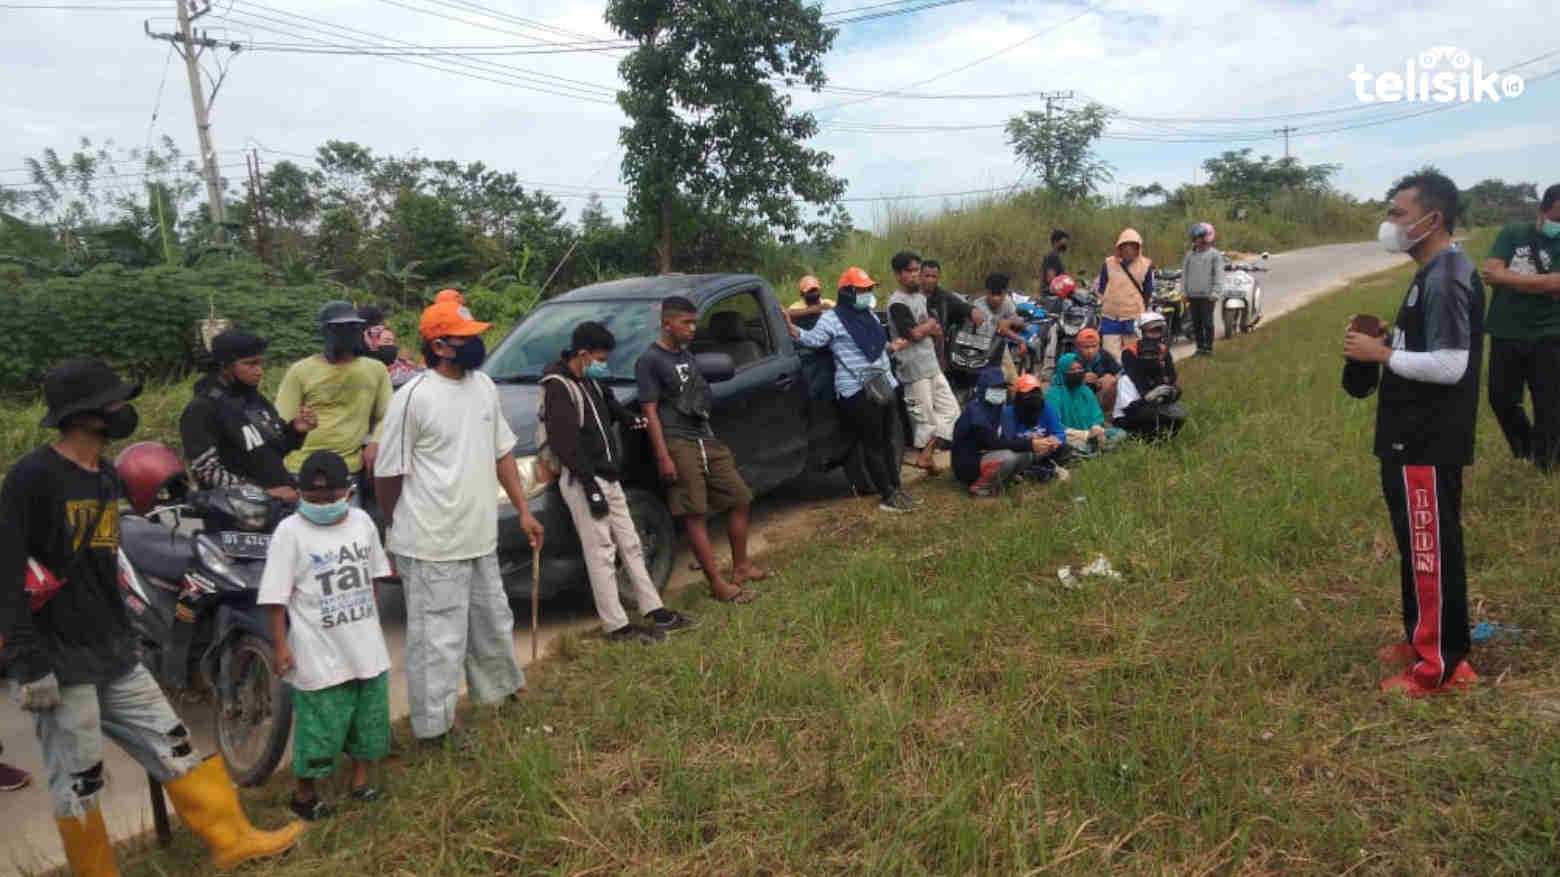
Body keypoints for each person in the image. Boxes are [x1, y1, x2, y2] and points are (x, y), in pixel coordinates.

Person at [0, 359, 302, 873]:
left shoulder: (106, 475)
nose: (124, 411)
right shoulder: (34, 478)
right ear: (82, 415)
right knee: (79, 779)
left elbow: (105, 564)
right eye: (113, 404)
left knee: (174, 743)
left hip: (116, 650)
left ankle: (233, 841)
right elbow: (7, 569)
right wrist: (27, 660)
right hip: (60, 657)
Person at [374, 299, 545, 747]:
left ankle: (502, 691)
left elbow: (501, 451)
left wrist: (524, 511)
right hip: (430, 543)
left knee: (493, 620)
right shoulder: (413, 398)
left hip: (477, 536)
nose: (477, 344)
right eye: (466, 338)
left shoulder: (484, 386)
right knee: (438, 642)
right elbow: (388, 474)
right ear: (440, 346)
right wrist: (396, 527)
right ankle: (436, 728)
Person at [1343, 170, 1483, 697]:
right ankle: (1425, 636)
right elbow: (1428, 346)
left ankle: (1439, 666)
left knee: (1430, 548)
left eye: (1398, 214)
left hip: (1427, 435)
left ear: (1432, 219)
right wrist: (1389, 338)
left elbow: (1450, 365)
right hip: (1409, 434)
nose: (1390, 223)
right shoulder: (1431, 271)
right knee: (1424, 545)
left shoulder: (1446, 275)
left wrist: (1383, 355)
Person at [541, 322, 697, 643]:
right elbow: (565, 444)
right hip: (584, 479)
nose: (604, 364)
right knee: (600, 551)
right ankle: (616, 625)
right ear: (583, 354)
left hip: (608, 475)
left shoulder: (593, 382)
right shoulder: (558, 387)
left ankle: (654, 609)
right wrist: (589, 487)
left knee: (631, 543)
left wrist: (636, 421)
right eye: (600, 358)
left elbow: (613, 411)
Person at [259, 450, 392, 821]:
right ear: (300, 495)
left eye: (330, 499)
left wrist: (369, 621)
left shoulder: (363, 522)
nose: (321, 506)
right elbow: (275, 597)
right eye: (312, 500)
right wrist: (281, 645)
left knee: (369, 720)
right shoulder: (290, 533)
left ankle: (361, 782)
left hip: (365, 646)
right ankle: (304, 795)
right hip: (319, 652)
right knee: (320, 727)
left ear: (347, 493)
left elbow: (374, 577)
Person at [637, 296, 768, 604]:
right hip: (677, 442)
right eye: (686, 322)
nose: (693, 328)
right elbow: (650, 411)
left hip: (704, 436)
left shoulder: (686, 355)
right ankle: (717, 583)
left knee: (740, 497)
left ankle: (741, 567)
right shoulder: (650, 361)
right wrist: (663, 456)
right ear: (667, 323)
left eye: (694, 322)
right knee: (694, 513)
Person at [786, 268, 917, 514]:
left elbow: (877, 346)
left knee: (889, 439)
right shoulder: (831, 319)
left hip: (884, 382)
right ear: (847, 292)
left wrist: (891, 347)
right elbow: (813, 341)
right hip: (857, 390)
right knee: (874, 443)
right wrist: (793, 329)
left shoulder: (868, 314)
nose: (868, 294)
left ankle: (897, 489)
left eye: (869, 289)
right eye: (862, 290)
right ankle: (888, 495)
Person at [179, 329, 315, 503]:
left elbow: (274, 450)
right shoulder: (202, 408)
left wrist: (296, 430)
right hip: (236, 515)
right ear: (224, 366)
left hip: (277, 505)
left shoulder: (254, 399)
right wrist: (263, 493)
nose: (259, 371)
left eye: (260, 363)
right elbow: (207, 471)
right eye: (250, 364)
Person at [276, 301, 393, 502]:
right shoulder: (300, 371)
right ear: (325, 332)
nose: (347, 333)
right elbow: (280, 422)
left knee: (351, 529)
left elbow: (388, 414)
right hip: (301, 467)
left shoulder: (375, 370)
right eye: (338, 328)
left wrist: (376, 442)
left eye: (353, 327)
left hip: (348, 468)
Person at [1479, 183, 1560, 472]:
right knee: (1501, 399)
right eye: (1556, 218)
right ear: (1542, 210)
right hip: (1505, 331)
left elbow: (1557, 285)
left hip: (1550, 334)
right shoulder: (1512, 233)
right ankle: (1526, 448)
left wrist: (1507, 278)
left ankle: (1547, 464)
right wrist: (1542, 284)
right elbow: (1489, 272)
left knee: (1549, 405)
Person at [887, 251, 960, 474]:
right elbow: (914, 334)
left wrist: (927, 328)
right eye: (909, 271)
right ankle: (926, 458)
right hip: (913, 369)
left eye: (917, 270)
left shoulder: (920, 298)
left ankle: (926, 455)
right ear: (898, 275)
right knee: (924, 418)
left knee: (952, 410)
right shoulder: (896, 303)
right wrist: (927, 327)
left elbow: (934, 328)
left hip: (931, 364)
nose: (915, 275)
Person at [951, 366, 1056, 497]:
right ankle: (980, 487)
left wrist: (1036, 442)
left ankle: (1003, 480)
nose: (1000, 391)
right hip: (967, 463)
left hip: (987, 455)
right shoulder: (975, 412)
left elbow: (1008, 438)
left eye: (1002, 388)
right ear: (984, 389)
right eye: (995, 388)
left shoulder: (998, 409)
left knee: (1028, 453)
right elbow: (993, 443)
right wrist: (1029, 443)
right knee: (1008, 457)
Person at [1113, 312, 1185, 439]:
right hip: (1128, 414)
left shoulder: (1163, 351)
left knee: (1178, 413)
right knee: (1151, 415)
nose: (1155, 335)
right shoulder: (1129, 356)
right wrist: (1149, 396)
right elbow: (1138, 380)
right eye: (1151, 331)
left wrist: (1170, 391)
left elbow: (1171, 376)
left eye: (1158, 330)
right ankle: (1140, 436)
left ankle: (1165, 438)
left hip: (1152, 402)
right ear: (1141, 332)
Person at [1048, 352, 1124, 456]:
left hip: (1092, 434)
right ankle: (1093, 451)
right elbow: (1054, 425)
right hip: (1069, 436)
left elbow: (1096, 415)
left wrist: (1096, 428)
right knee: (1062, 443)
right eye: (1072, 370)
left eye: (1079, 369)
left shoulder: (1085, 390)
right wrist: (1085, 435)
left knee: (1120, 434)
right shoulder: (1054, 393)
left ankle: (1094, 450)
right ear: (1062, 372)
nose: (1077, 372)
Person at [1095, 228, 1155, 359]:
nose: (1128, 249)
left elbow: (1148, 292)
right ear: (1119, 247)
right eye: (1125, 245)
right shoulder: (1108, 264)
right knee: (1110, 355)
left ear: (1138, 247)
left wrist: (1141, 312)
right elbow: (1102, 287)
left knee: (1132, 355)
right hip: (1110, 317)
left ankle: (1130, 379)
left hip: (1133, 317)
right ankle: (1114, 378)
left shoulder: (1146, 265)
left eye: (1132, 245)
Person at [1001, 374, 1069, 479]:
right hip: (1022, 451)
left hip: (1044, 449)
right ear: (1019, 396)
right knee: (1012, 457)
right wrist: (1031, 443)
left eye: (1036, 392)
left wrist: (1054, 440)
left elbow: (1059, 432)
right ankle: (1030, 471)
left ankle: (1036, 471)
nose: (1033, 396)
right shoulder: (1008, 413)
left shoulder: (1047, 408)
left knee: (1064, 448)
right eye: (1028, 394)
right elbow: (1008, 440)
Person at [972, 272, 1026, 382]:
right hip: (980, 345)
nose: (996, 299)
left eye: (1000, 295)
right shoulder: (978, 306)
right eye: (993, 295)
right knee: (1005, 378)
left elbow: (1019, 321)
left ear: (1005, 293)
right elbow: (1000, 329)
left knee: (1012, 379)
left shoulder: (1007, 302)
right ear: (986, 292)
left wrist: (1010, 321)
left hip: (998, 345)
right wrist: (1020, 340)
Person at [1181, 222, 1223, 356]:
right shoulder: (1189, 255)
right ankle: (1199, 348)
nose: (1196, 241)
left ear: (1205, 238)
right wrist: (1183, 292)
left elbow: (1219, 274)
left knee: (1208, 323)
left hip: (1208, 296)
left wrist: (1216, 292)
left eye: (1198, 237)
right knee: (1196, 323)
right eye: (1194, 238)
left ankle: (1209, 348)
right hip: (1192, 295)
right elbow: (1184, 275)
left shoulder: (1214, 255)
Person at [358, 304, 425, 388]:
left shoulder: (399, 364)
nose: (392, 346)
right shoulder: (369, 370)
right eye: (387, 341)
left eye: (392, 341)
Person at [1074, 328, 1121, 416]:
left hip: (1099, 391)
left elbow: (1120, 372)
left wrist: (1109, 378)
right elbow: (1059, 380)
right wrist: (1080, 378)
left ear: (1099, 346)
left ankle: (1105, 414)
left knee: (1110, 382)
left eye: (1094, 346)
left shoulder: (1104, 355)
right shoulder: (1071, 358)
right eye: (1086, 347)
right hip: (1078, 393)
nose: (1090, 351)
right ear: (1078, 347)